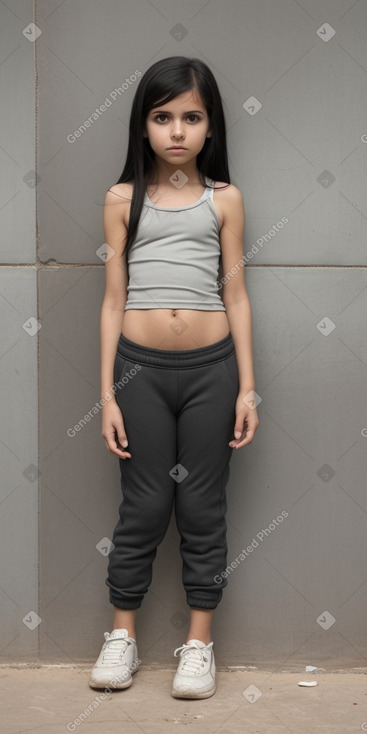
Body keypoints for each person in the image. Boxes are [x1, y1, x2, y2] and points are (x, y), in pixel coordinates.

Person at [89, 55, 259, 699]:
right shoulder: (120, 200)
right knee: (146, 505)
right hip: (141, 371)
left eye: (191, 117)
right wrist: (106, 394)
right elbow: (111, 300)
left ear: (210, 127)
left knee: (201, 507)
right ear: (143, 126)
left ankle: (198, 645)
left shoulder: (226, 200)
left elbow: (237, 295)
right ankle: (122, 637)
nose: (177, 131)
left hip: (212, 373)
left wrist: (247, 386)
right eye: (163, 117)